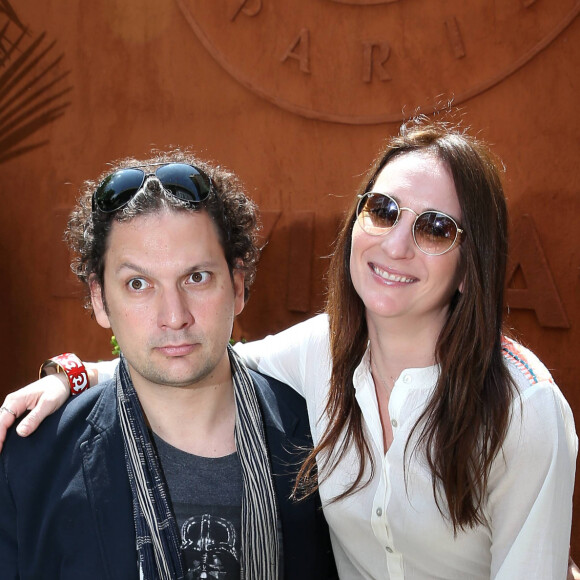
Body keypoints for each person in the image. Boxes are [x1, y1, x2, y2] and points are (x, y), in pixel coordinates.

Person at [0, 119, 577, 578]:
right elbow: (190, 356)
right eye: (383, 211)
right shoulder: (319, 355)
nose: (397, 244)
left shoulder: (523, 409)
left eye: (435, 229)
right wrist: (70, 375)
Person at [0, 153, 338, 579]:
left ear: (237, 287)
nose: (174, 315)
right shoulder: (33, 461)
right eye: (138, 284)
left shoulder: (321, 440)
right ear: (101, 299)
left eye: (196, 277)